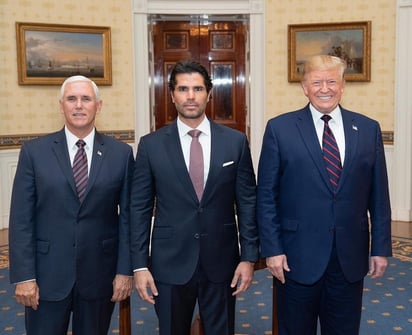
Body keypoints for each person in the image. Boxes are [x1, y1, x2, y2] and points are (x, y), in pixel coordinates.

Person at [257, 55, 392, 335]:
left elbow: (379, 197)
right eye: (316, 82)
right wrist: (272, 249)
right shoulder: (279, 129)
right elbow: (266, 196)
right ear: (304, 87)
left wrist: (380, 247)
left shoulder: (368, 129)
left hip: (349, 258)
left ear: (343, 85)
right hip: (295, 257)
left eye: (332, 81)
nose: (324, 88)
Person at [130, 60, 259, 335]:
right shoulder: (151, 145)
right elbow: (138, 209)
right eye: (183, 89)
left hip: (222, 262)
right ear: (172, 94)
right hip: (169, 263)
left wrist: (248, 258)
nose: (191, 96)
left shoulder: (235, 142)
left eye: (198, 89)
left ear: (209, 94)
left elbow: (248, 202)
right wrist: (140, 265)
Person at [8, 75, 134, 335]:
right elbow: (21, 219)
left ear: (98, 106)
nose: (79, 105)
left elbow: (128, 218)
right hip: (46, 277)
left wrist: (124, 271)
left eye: (86, 99)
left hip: (99, 275)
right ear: (61, 105)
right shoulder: (34, 152)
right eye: (71, 99)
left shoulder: (120, 154)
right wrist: (24, 276)